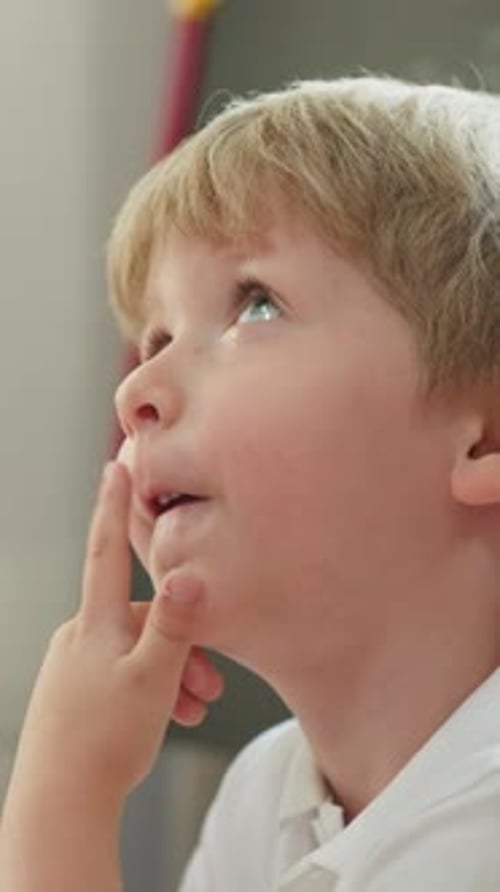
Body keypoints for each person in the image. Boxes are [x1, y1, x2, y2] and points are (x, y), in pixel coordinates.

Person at [1, 74, 500, 891]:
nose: (137, 390)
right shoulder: (265, 794)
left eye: (255, 306)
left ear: (485, 433)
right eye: (154, 336)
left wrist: (63, 797)